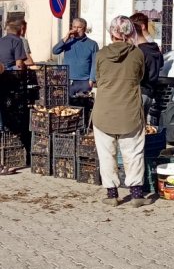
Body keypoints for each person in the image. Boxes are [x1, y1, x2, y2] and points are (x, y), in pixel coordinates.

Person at [93, 16, 150, 208]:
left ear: (111, 33)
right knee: (133, 153)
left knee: (106, 154)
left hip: (103, 112)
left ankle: (112, 195)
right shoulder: (138, 54)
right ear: (129, 32)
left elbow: (98, 78)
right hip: (130, 111)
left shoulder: (100, 55)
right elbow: (140, 77)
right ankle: (136, 195)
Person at [52, 18, 98, 96]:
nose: (76, 30)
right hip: (67, 81)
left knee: (83, 106)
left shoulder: (92, 44)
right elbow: (55, 51)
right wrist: (66, 37)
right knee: (67, 107)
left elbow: (95, 63)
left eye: (79, 27)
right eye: (74, 27)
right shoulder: (68, 41)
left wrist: (92, 79)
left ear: (84, 29)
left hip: (84, 82)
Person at [130, 13, 164, 119]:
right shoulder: (154, 49)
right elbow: (161, 64)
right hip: (149, 92)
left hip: (140, 92)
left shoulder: (139, 51)